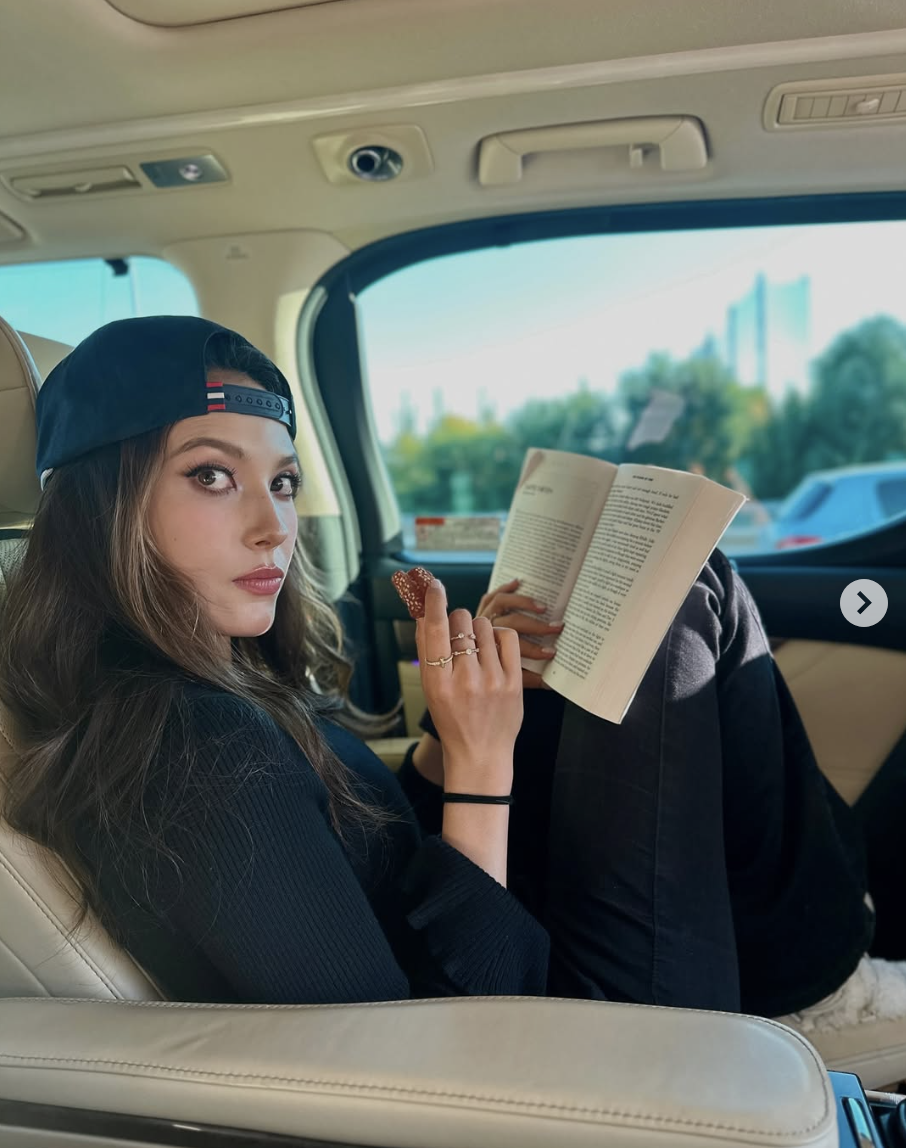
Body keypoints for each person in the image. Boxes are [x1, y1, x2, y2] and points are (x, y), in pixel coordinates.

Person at [0, 315, 902, 1030]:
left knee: (660, 586)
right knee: (678, 597)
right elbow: (410, 1056)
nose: (274, 529)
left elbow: (357, 849)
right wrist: (478, 765)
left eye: (282, 483)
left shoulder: (199, 680)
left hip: (496, 959)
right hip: (551, 1044)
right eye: (210, 476)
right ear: (101, 506)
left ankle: (816, 965)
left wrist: (445, 741)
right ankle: (825, 983)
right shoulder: (192, 752)